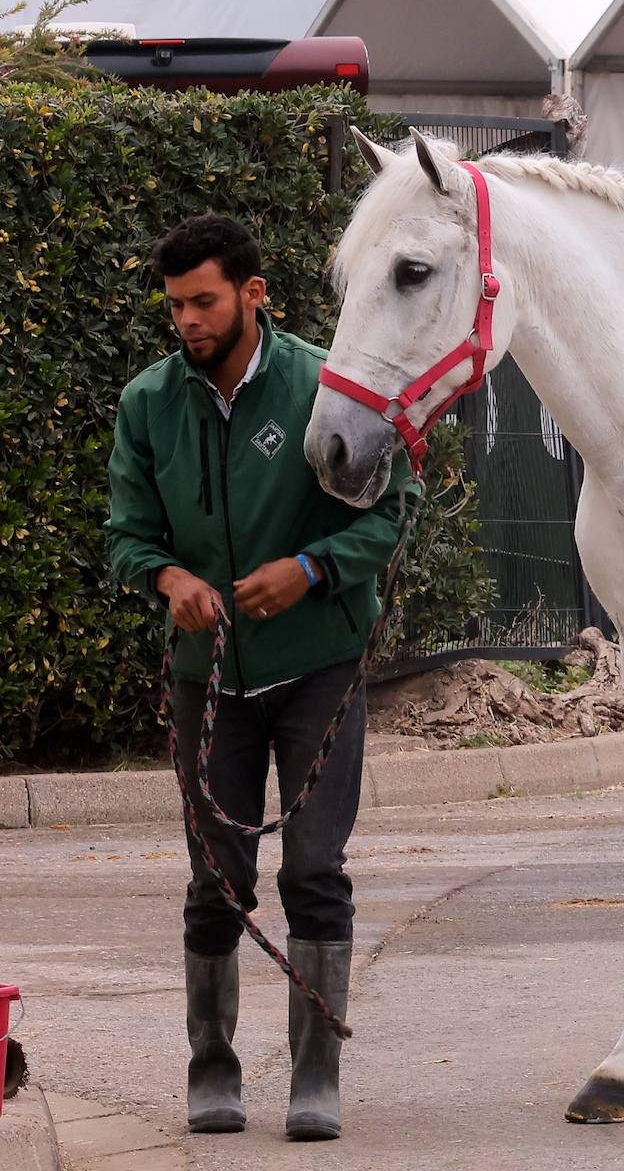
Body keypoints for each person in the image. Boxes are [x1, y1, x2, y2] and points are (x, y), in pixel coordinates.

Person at [105, 214, 416, 1141]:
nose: (188, 321)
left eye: (203, 301)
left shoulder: (328, 384)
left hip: (319, 666)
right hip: (208, 678)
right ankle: (213, 1069)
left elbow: (386, 518)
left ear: (254, 294)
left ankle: (315, 1080)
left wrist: (311, 570)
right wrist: (171, 579)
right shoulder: (148, 402)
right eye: (175, 307)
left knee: (315, 872)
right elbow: (128, 536)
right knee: (215, 881)